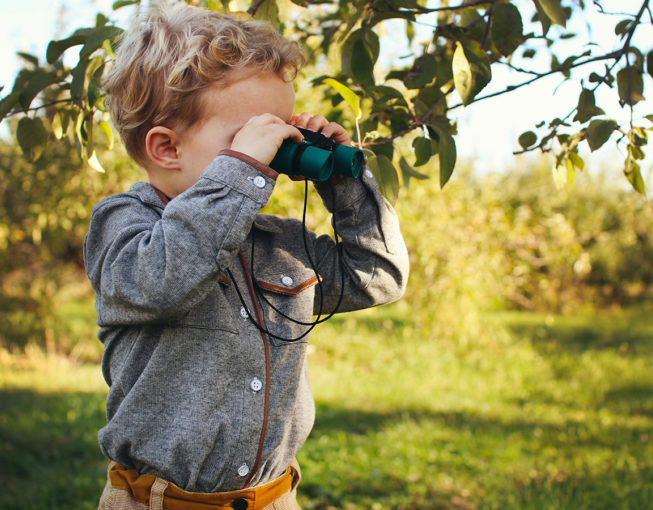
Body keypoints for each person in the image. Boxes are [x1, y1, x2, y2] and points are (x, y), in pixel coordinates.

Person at [84, 4, 409, 509]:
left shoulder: (279, 242)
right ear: (166, 149)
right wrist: (241, 171)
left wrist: (343, 182)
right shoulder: (124, 225)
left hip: (272, 498)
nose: (272, 154)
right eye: (250, 137)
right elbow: (164, 279)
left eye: (278, 132)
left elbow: (379, 275)